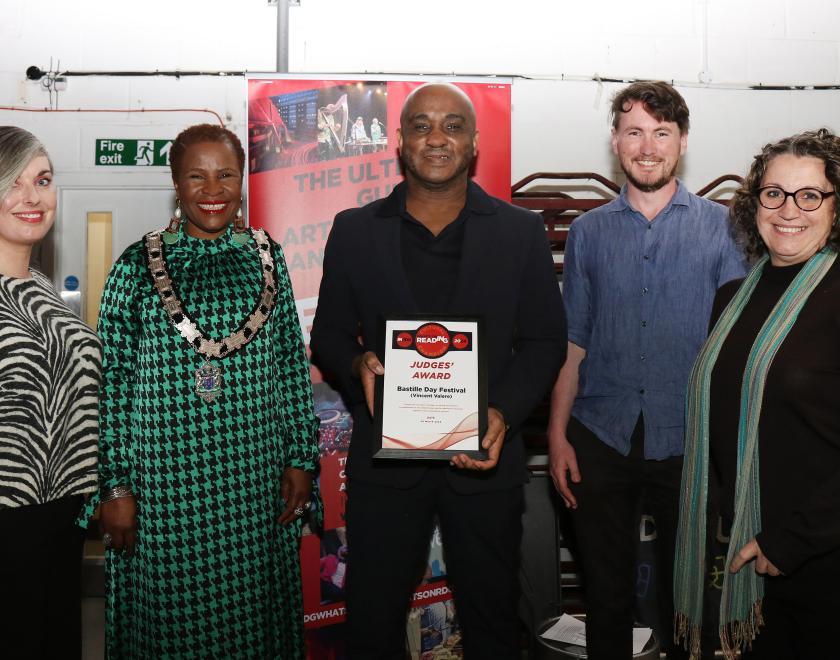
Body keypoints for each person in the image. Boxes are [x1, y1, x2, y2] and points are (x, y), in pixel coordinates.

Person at [310, 83, 567, 658]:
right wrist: (357, 365)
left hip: (483, 461)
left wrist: (503, 410)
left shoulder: (519, 232)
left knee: (493, 618)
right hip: (385, 463)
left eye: (453, 126)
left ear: (474, 143)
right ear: (399, 142)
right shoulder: (354, 230)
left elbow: (547, 339)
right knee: (372, 621)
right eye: (421, 125)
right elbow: (327, 333)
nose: (437, 138)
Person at [82, 123, 319, 658]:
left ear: (241, 182)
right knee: (170, 622)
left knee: (251, 619)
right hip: (165, 488)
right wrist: (115, 487)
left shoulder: (268, 257)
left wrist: (301, 457)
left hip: (253, 481)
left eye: (226, 175)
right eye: (197, 176)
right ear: (176, 183)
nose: (213, 190)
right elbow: (111, 384)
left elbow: (289, 364)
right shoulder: (135, 266)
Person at [547, 81, 747, 660]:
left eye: (661, 133)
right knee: (606, 594)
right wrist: (558, 435)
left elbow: (734, 344)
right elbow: (573, 343)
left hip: (689, 439)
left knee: (687, 597)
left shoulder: (725, 228)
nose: (648, 146)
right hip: (599, 436)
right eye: (634, 132)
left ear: (681, 142)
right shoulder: (587, 233)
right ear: (616, 141)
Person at [675, 129, 840, 660]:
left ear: (835, 208)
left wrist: (791, 541)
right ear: (755, 202)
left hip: (818, 557)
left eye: (810, 195)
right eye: (774, 193)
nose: (789, 209)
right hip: (743, 550)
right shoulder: (733, 297)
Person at [0, 126, 102, 658]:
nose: (32, 197)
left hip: (63, 515)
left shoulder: (46, 290)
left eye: (42, 180)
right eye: (12, 183)